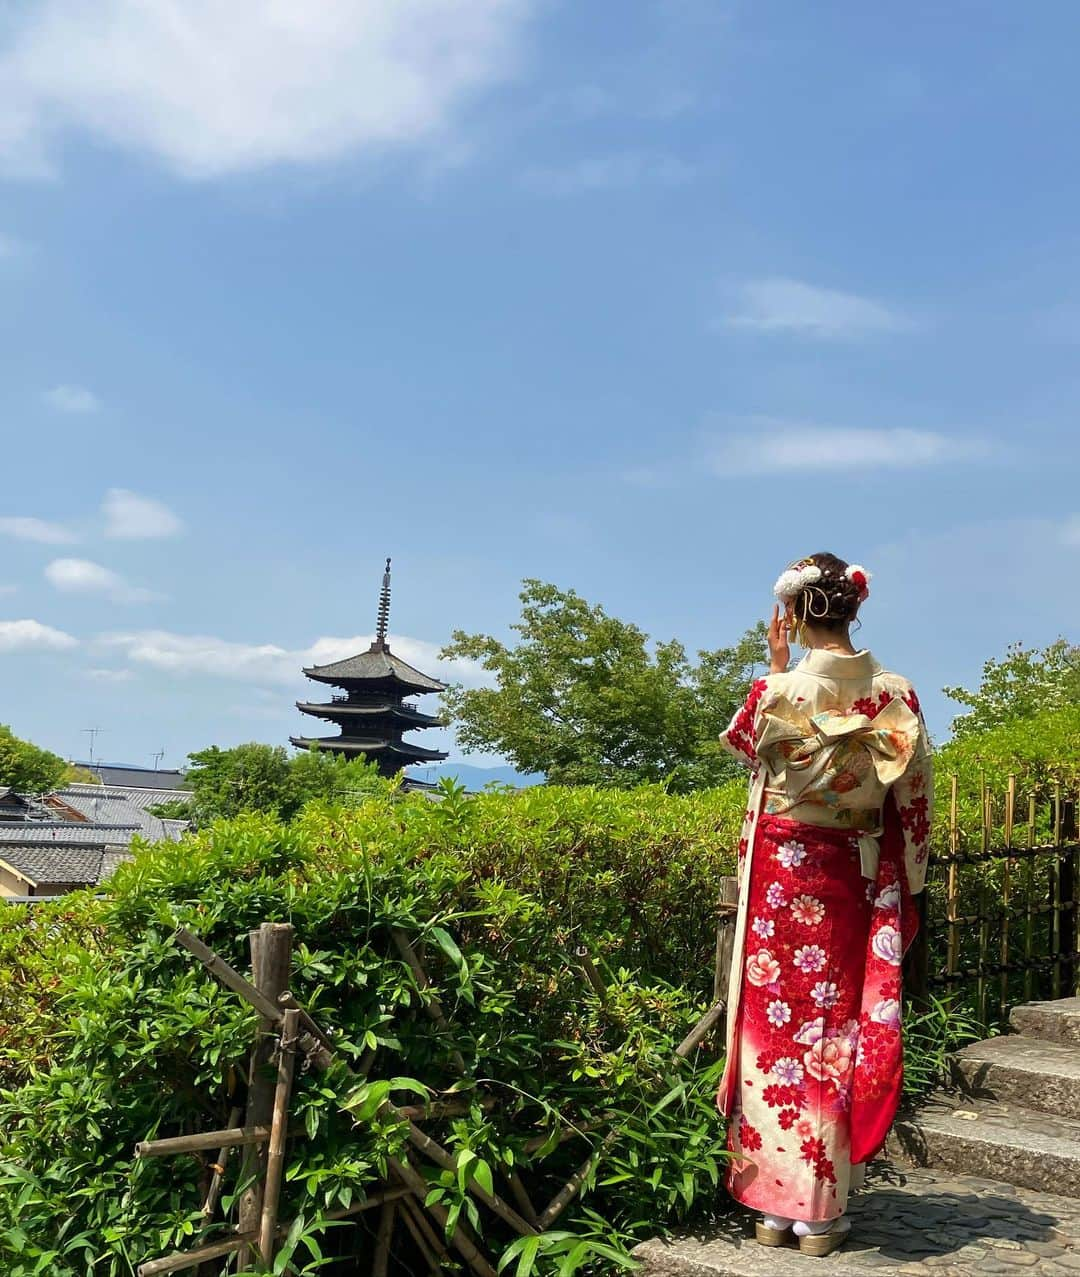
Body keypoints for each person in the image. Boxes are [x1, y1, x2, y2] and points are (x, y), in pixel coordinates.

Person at [715, 553, 932, 1257]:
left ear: (796, 615)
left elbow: (748, 750)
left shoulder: (776, 691)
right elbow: (916, 799)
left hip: (781, 872)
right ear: (852, 609)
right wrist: (912, 880)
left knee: (770, 1034)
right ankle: (819, 1211)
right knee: (830, 1037)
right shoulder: (893, 694)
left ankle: (770, 1210)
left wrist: (779, 667)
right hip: (848, 873)